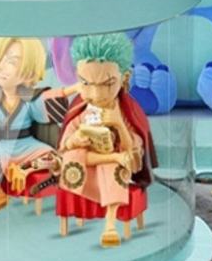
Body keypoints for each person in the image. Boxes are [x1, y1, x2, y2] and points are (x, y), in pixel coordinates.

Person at [55, 33, 157, 247]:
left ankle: (110, 224)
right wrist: (75, 139)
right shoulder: (80, 108)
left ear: (124, 78)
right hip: (87, 165)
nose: (96, 94)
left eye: (107, 84)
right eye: (86, 83)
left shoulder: (127, 111)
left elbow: (135, 150)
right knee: (74, 156)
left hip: (118, 165)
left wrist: (119, 124)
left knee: (114, 167)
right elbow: (65, 146)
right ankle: (110, 161)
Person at [0, 37, 72, 215]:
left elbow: (48, 99)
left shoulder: (27, 98)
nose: (1, 67)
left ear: (28, 73)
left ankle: (28, 171)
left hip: (28, 145)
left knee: (52, 157)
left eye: (12, 62)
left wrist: (75, 88)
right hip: (3, 147)